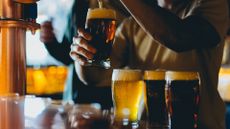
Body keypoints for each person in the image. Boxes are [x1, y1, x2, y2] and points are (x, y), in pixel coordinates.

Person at [70, 0, 229, 128]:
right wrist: (85, 56)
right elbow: (94, 77)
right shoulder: (132, 25)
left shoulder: (211, 5)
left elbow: (179, 37)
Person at [40, 0, 129, 109]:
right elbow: (69, 55)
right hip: (76, 94)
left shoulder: (126, 6)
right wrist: (50, 42)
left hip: (109, 93)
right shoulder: (79, 4)